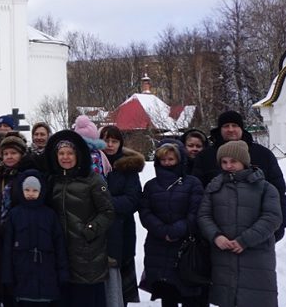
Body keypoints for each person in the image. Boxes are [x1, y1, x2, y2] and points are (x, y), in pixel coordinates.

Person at [197, 140, 281, 307]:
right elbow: (204, 215)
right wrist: (216, 236)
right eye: (224, 162)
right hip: (224, 256)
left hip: (256, 255)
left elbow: (272, 218)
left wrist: (245, 240)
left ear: (244, 161)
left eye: (233, 161)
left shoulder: (265, 188)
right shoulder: (214, 186)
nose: (228, 166)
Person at [192, 110, 286, 240]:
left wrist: (279, 228)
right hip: (217, 237)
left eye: (235, 125)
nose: (231, 129)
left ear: (241, 128)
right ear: (219, 129)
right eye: (226, 126)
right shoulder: (205, 157)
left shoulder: (263, 155)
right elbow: (197, 195)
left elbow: (278, 191)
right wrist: (206, 232)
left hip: (257, 235)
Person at [45, 130, 115, 307]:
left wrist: (90, 230)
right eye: (61, 153)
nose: (65, 157)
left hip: (87, 253)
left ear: (78, 155)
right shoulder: (53, 180)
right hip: (61, 253)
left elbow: (107, 211)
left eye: (70, 153)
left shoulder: (93, 180)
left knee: (86, 299)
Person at [139, 141, 204, 307]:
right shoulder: (151, 186)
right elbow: (145, 212)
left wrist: (177, 230)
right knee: (168, 294)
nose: (167, 163)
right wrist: (163, 231)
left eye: (171, 159)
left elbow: (196, 212)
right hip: (158, 245)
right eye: (163, 159)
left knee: (191, 294)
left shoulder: (193, 183)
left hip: (186, 247)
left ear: (179, 159)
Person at [0, 134, 34, 307]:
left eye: (13, 153)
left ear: (21, 155)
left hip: (19, 240)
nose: (9, 157)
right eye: (6, 153)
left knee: (15, 286)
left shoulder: (27, 177)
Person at [2, 172, 68, 307]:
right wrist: (7, 276)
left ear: (41, 191)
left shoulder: (49, 214)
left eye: (34, 190)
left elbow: (59, 245)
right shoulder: (14, 214)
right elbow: (7, 248)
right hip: (22, 275)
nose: (30, 193)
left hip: (47, 276)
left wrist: (63, 273)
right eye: (27, 190)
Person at [99, 126, 143, 307]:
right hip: (96, 233)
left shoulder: (127, 167)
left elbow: (132, 200)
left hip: (121, 232)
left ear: (120, 143)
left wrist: (103, 203)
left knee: (118, 290)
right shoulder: (91, 164)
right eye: (106, 140)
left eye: (114, 141)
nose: (109, 145)